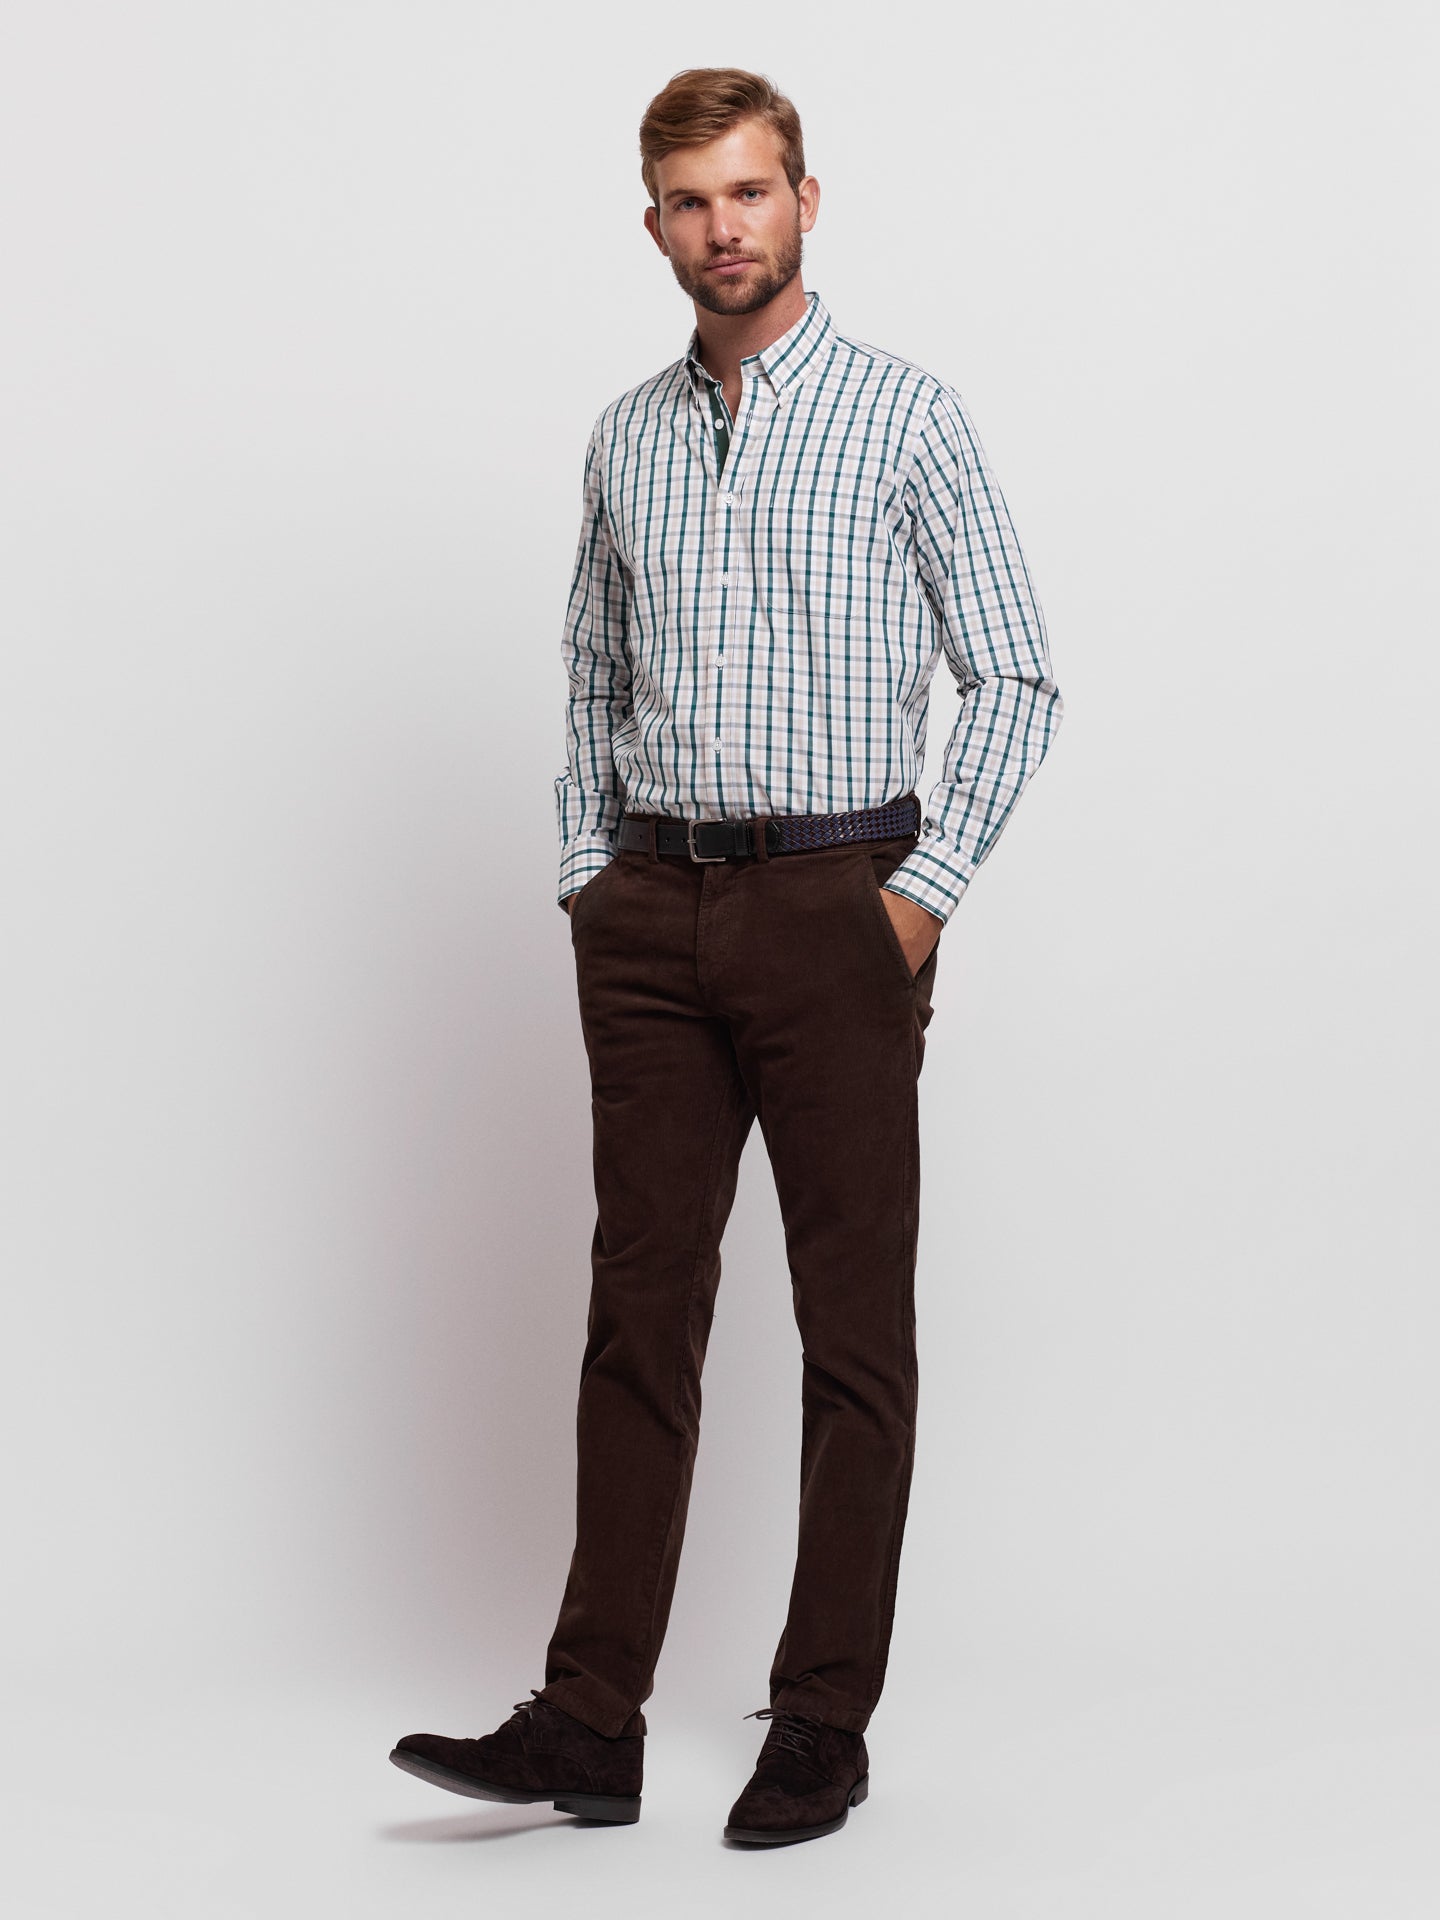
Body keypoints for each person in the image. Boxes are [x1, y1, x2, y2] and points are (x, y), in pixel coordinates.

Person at [391, 64, 1062, 1847]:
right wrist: (587, 880)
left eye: (750, 192)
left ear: (805, 201)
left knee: (853, 1330)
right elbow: (589, 677)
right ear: (655, 227)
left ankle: (823, 1719)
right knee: (639, 1313)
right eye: (691, 202)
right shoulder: (624, 437)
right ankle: (589, 1720)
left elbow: (1016, 672)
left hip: (842, 902)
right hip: (653, 913)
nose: (724, 228)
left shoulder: (906, 417)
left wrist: (917, 898)